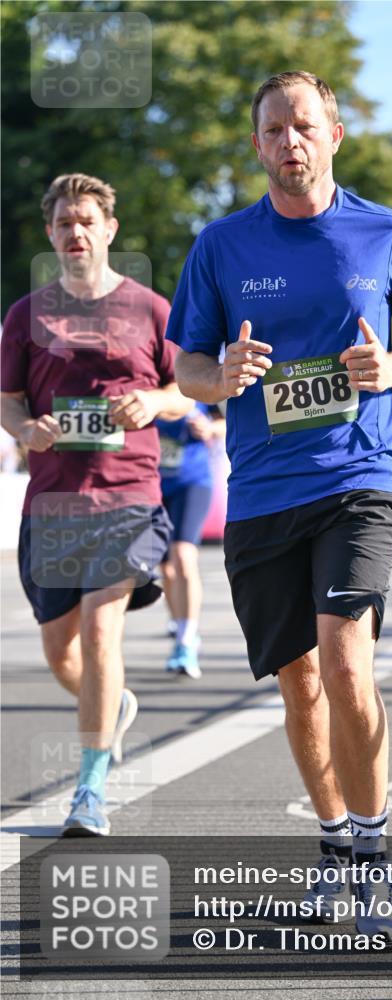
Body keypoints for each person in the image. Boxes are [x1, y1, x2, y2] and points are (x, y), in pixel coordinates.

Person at [166, 71, 392, 942]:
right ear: (256, 145)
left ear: (333, 134)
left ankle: (373, 861)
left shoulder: (387, 234)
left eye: (303, 125)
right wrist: (223, 379)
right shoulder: (220, 247)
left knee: (344, 661)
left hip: (359, 479)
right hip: (261, 491)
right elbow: (186, 366)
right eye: (272, 130)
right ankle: (332, 847)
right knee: (298, 686)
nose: (288, 140)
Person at [0, 173, 190, 836]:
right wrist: (25, 429)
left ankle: (89, 790)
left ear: (108, 230)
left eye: (86, 221)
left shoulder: (150, 308)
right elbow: (9, 397)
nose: (75, 233)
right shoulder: (26, 315)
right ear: (50, 235)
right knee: (60, 652)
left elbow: (187, 390)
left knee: (104, 628)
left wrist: (155, 403)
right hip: (53, 502)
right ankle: (109, 705)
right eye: (62, 224)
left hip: (127, 495)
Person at [157, 401, 226, 678]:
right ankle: (179, 623)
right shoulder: (144, 382)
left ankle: (185, 641)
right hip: (152, 484)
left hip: (192, 482)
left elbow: (229, 421)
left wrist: (209, 427)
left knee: (183, 557)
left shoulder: (193, 368)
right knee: (166, 568)